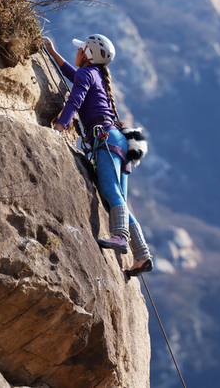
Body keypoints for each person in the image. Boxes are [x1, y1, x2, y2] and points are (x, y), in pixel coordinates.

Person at [43, 34, 153, 276]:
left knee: (110, 191)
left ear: (87, 54)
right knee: (119, 199)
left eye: (81, 48)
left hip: (104, 139)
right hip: (118, 140)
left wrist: (60, 127)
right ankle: (142, 255)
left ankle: (120, 238)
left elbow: (75, 100)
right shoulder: (95, 75)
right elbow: (74, 76)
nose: (78, 51)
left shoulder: (88, 74)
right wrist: (52, 52)